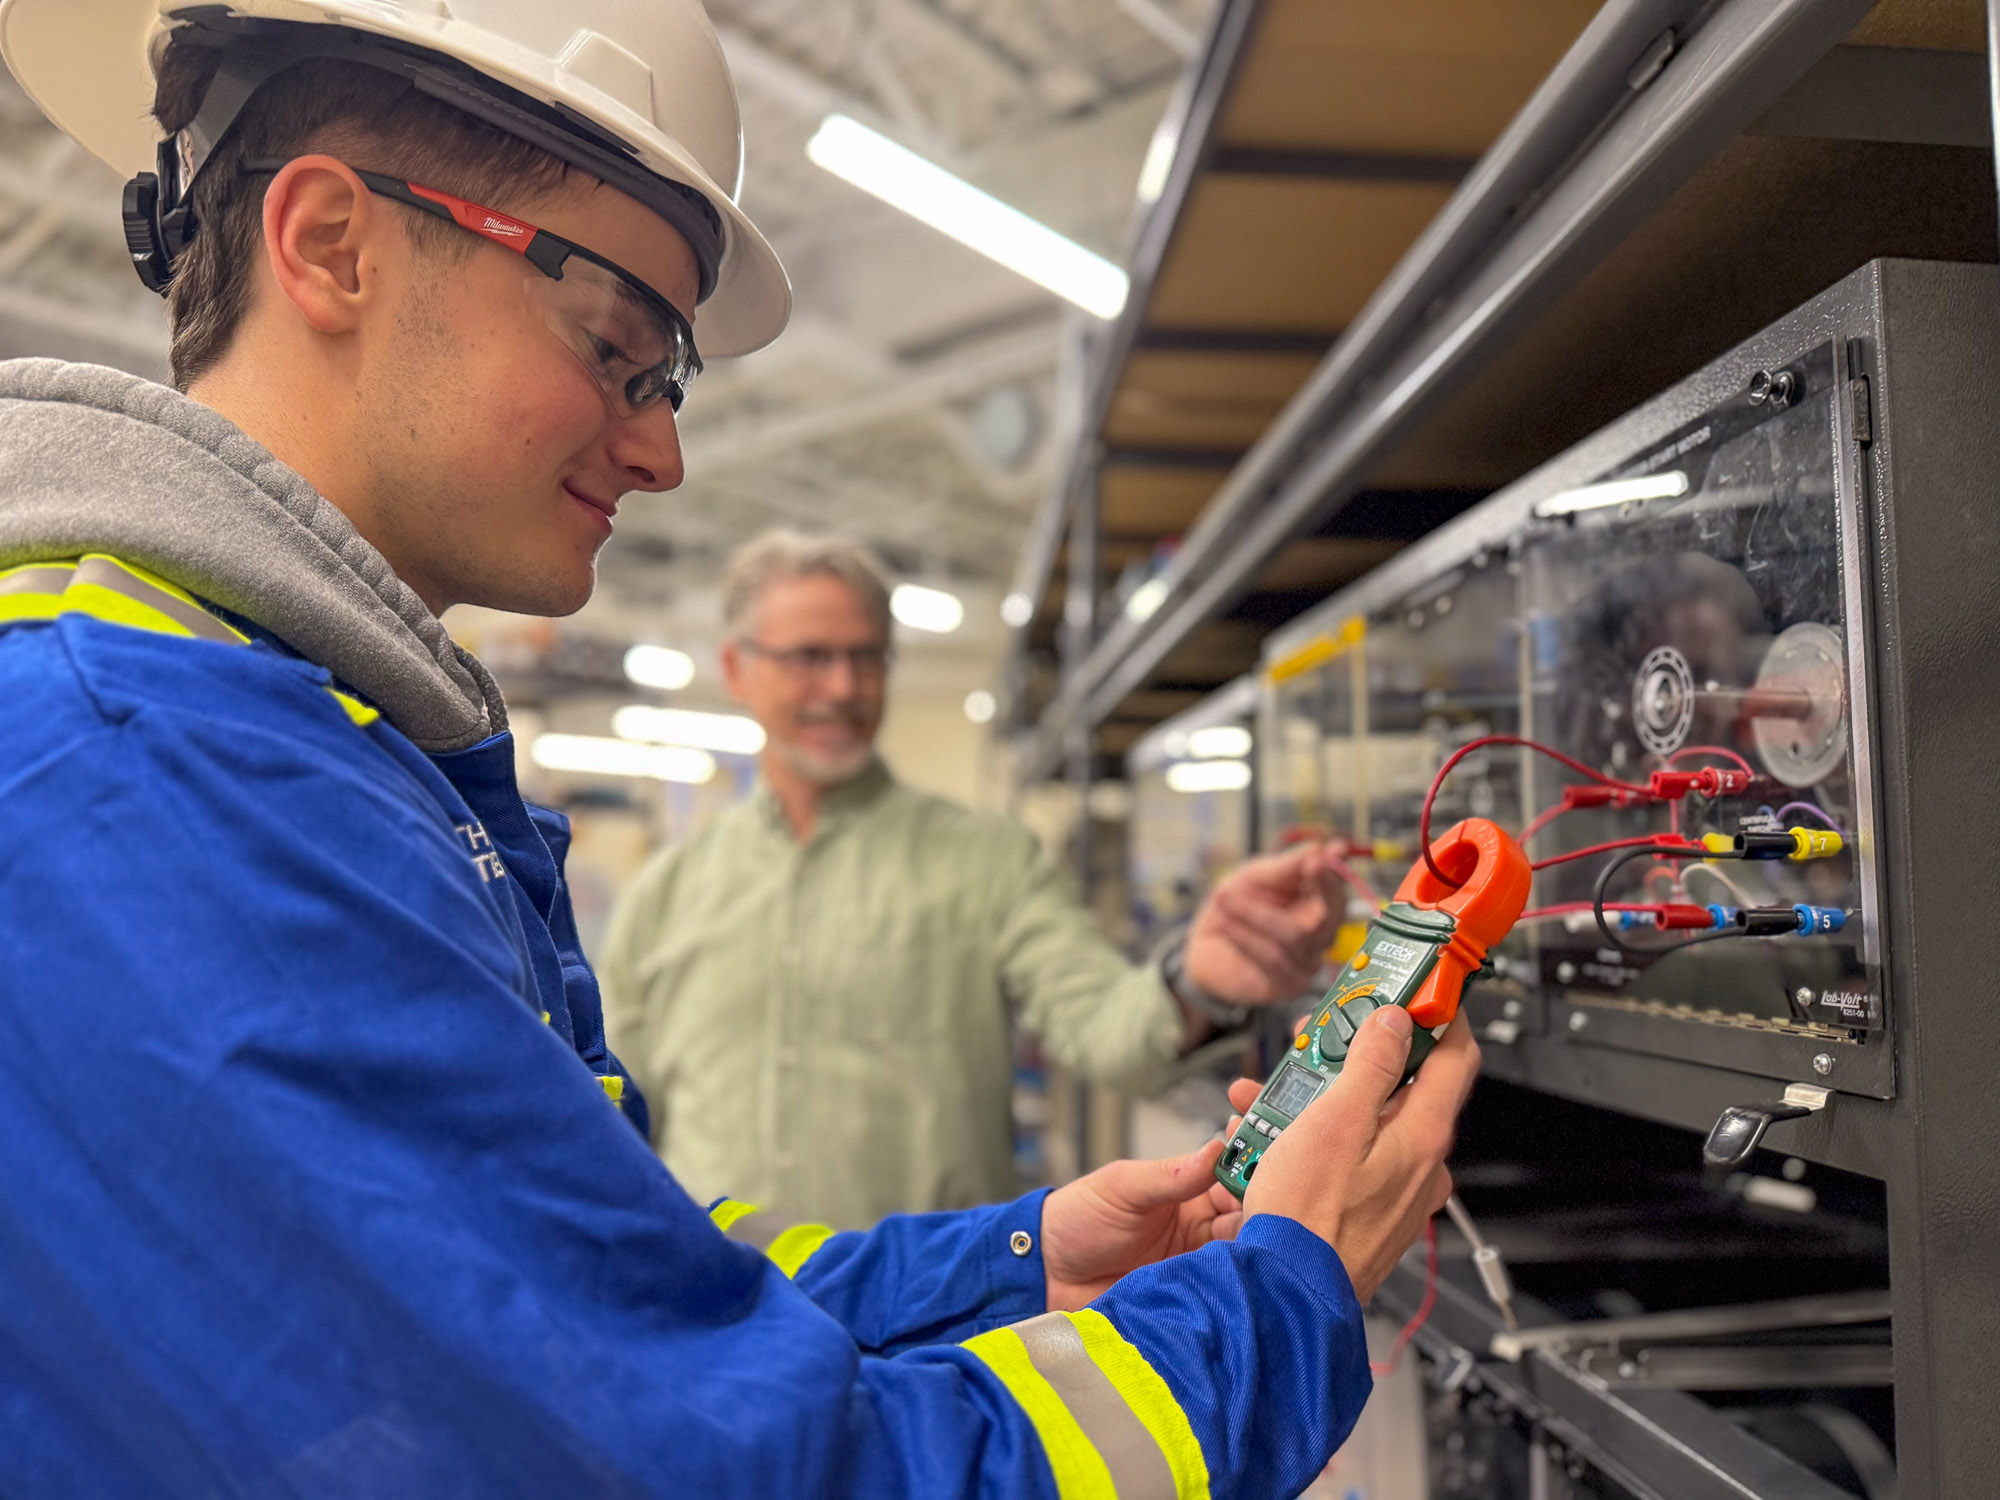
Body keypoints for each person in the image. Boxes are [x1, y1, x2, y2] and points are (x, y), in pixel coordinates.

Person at [0, 1, 1477, 1493]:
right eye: (619, 350)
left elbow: (596, 1286)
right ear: (332, 243)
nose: (663, 452)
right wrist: (1281, 1290)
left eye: (671, 381)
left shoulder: (303, 760)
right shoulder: (162, 789)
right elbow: (732, 1462)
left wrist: (1017, 1256)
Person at [602, 529, 1351, 1226]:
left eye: (868, 658)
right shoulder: (665, 895)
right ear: (737, 669)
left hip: (929, 1319)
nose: (844, 687)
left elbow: (1103, 1031)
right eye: (809, 657)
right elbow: (614, 1121)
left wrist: (1196, 980)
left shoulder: (989, 859)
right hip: (719, 1319)